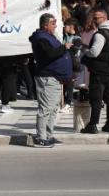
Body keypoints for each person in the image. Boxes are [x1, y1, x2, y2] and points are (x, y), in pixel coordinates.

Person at [29, 13, 72, 148]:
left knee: (53, 108)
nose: (56, 25)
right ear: (45, 25)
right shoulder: (41, 38)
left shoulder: (49, 36)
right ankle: (41, 137)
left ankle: (48, 135)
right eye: (53, 23)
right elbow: (50, 54)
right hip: (47, 77)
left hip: (55, 77)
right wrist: (64, 47)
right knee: (46, 108)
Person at [82, 7, 109, 134]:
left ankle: (92, 125)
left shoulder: (99, 35)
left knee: (96, 98)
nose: (94, 20)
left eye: (97, 18)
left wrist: (86, 52)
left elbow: (94, 52)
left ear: (104, 18)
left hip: (98, 70)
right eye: (94, 17)